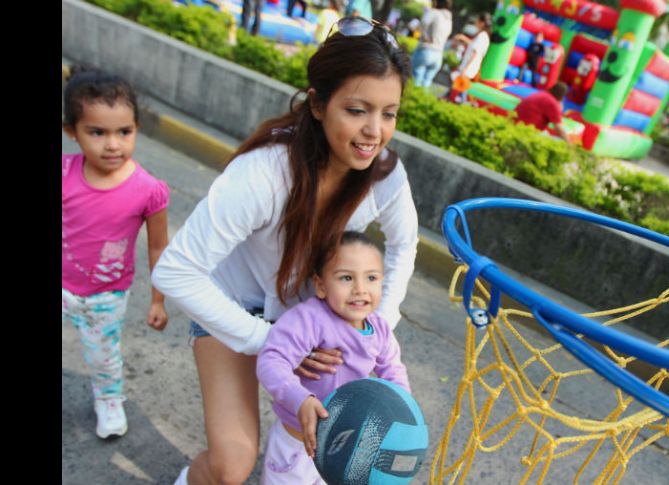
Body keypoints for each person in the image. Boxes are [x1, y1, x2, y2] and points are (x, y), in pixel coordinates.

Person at [151, 15, 418, 485]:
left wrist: (375, 322)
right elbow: (175, 272)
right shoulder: (264, 173)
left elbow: (404, 243)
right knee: (231, 467)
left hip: (313, 323)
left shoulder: (385, 175)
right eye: (357, 110)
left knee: (327, 454)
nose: (374, 131)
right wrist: (267, 341)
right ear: (317, 104)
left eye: (389, 113)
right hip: (233, 311)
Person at [62, 66, 170, 439]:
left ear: (137, 128)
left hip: (105, 296)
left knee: (104, 356)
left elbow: (159, 247)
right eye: (97, 132)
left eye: (124, 132)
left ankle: (108, 399)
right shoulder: (64, 173)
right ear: (71, 132)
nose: (113, 144)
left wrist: (158, 300)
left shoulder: (149, 190)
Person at [256, 231, 411, 483]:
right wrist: (301, 399)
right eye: (346, 278)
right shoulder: (310, 319)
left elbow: (394, 371)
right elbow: (272, 360)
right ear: (320, 285)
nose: (360, 289)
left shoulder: (379, 329)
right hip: (297, 445)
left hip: (346, 449)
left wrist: (403, 411)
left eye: (371, 278)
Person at [449, 13, 492, 103]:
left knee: (460, 89)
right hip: (470, 68)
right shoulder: (483, 36)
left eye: (478, 20)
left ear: (482, 23)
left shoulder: (482, 36)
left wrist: (465, 69)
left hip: (469, 68)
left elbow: (475, 54)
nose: (476, 22)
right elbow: (472, 45)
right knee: (459, 89)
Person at [411, 0, 453, 89]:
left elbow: (423, 22)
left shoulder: (434, 12)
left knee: (416, 81)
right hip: (438, 54)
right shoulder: (448, 18)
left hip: (426, 50)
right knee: (427, 82)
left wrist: (425, 36)